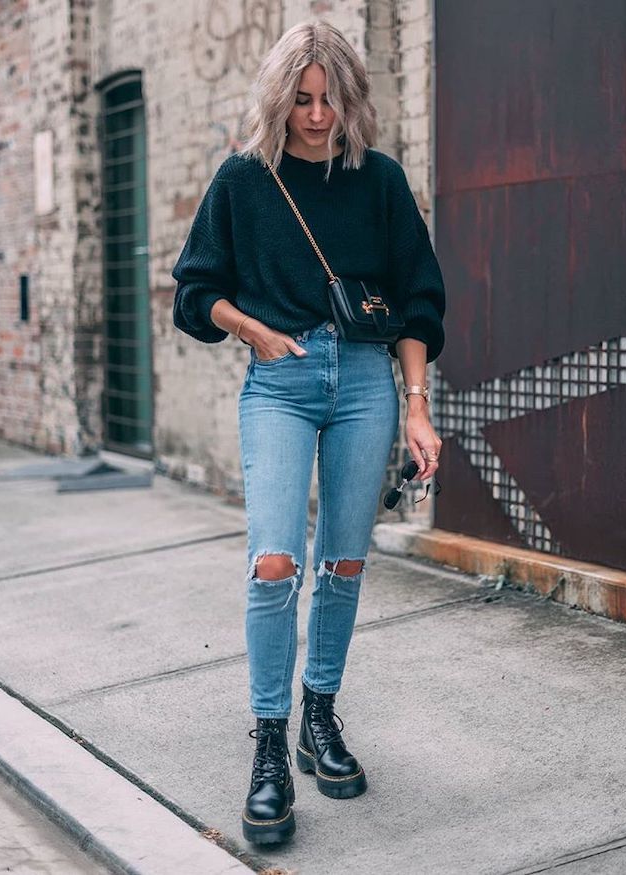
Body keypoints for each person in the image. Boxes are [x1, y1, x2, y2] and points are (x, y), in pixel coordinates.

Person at [171, 20, 445, 845]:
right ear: (278, 95)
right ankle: (267, 742)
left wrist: (418, 403)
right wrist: (249, 328)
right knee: (275, 560)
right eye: (302, 98)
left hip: (366, 381)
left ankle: (317, 714)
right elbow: (194, 290)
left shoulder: (381, 181)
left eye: (329, 99)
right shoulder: (243, 181)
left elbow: (418, 295)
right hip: (281, 382)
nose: (317, 115)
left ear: (350, 97)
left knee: (347, 558)